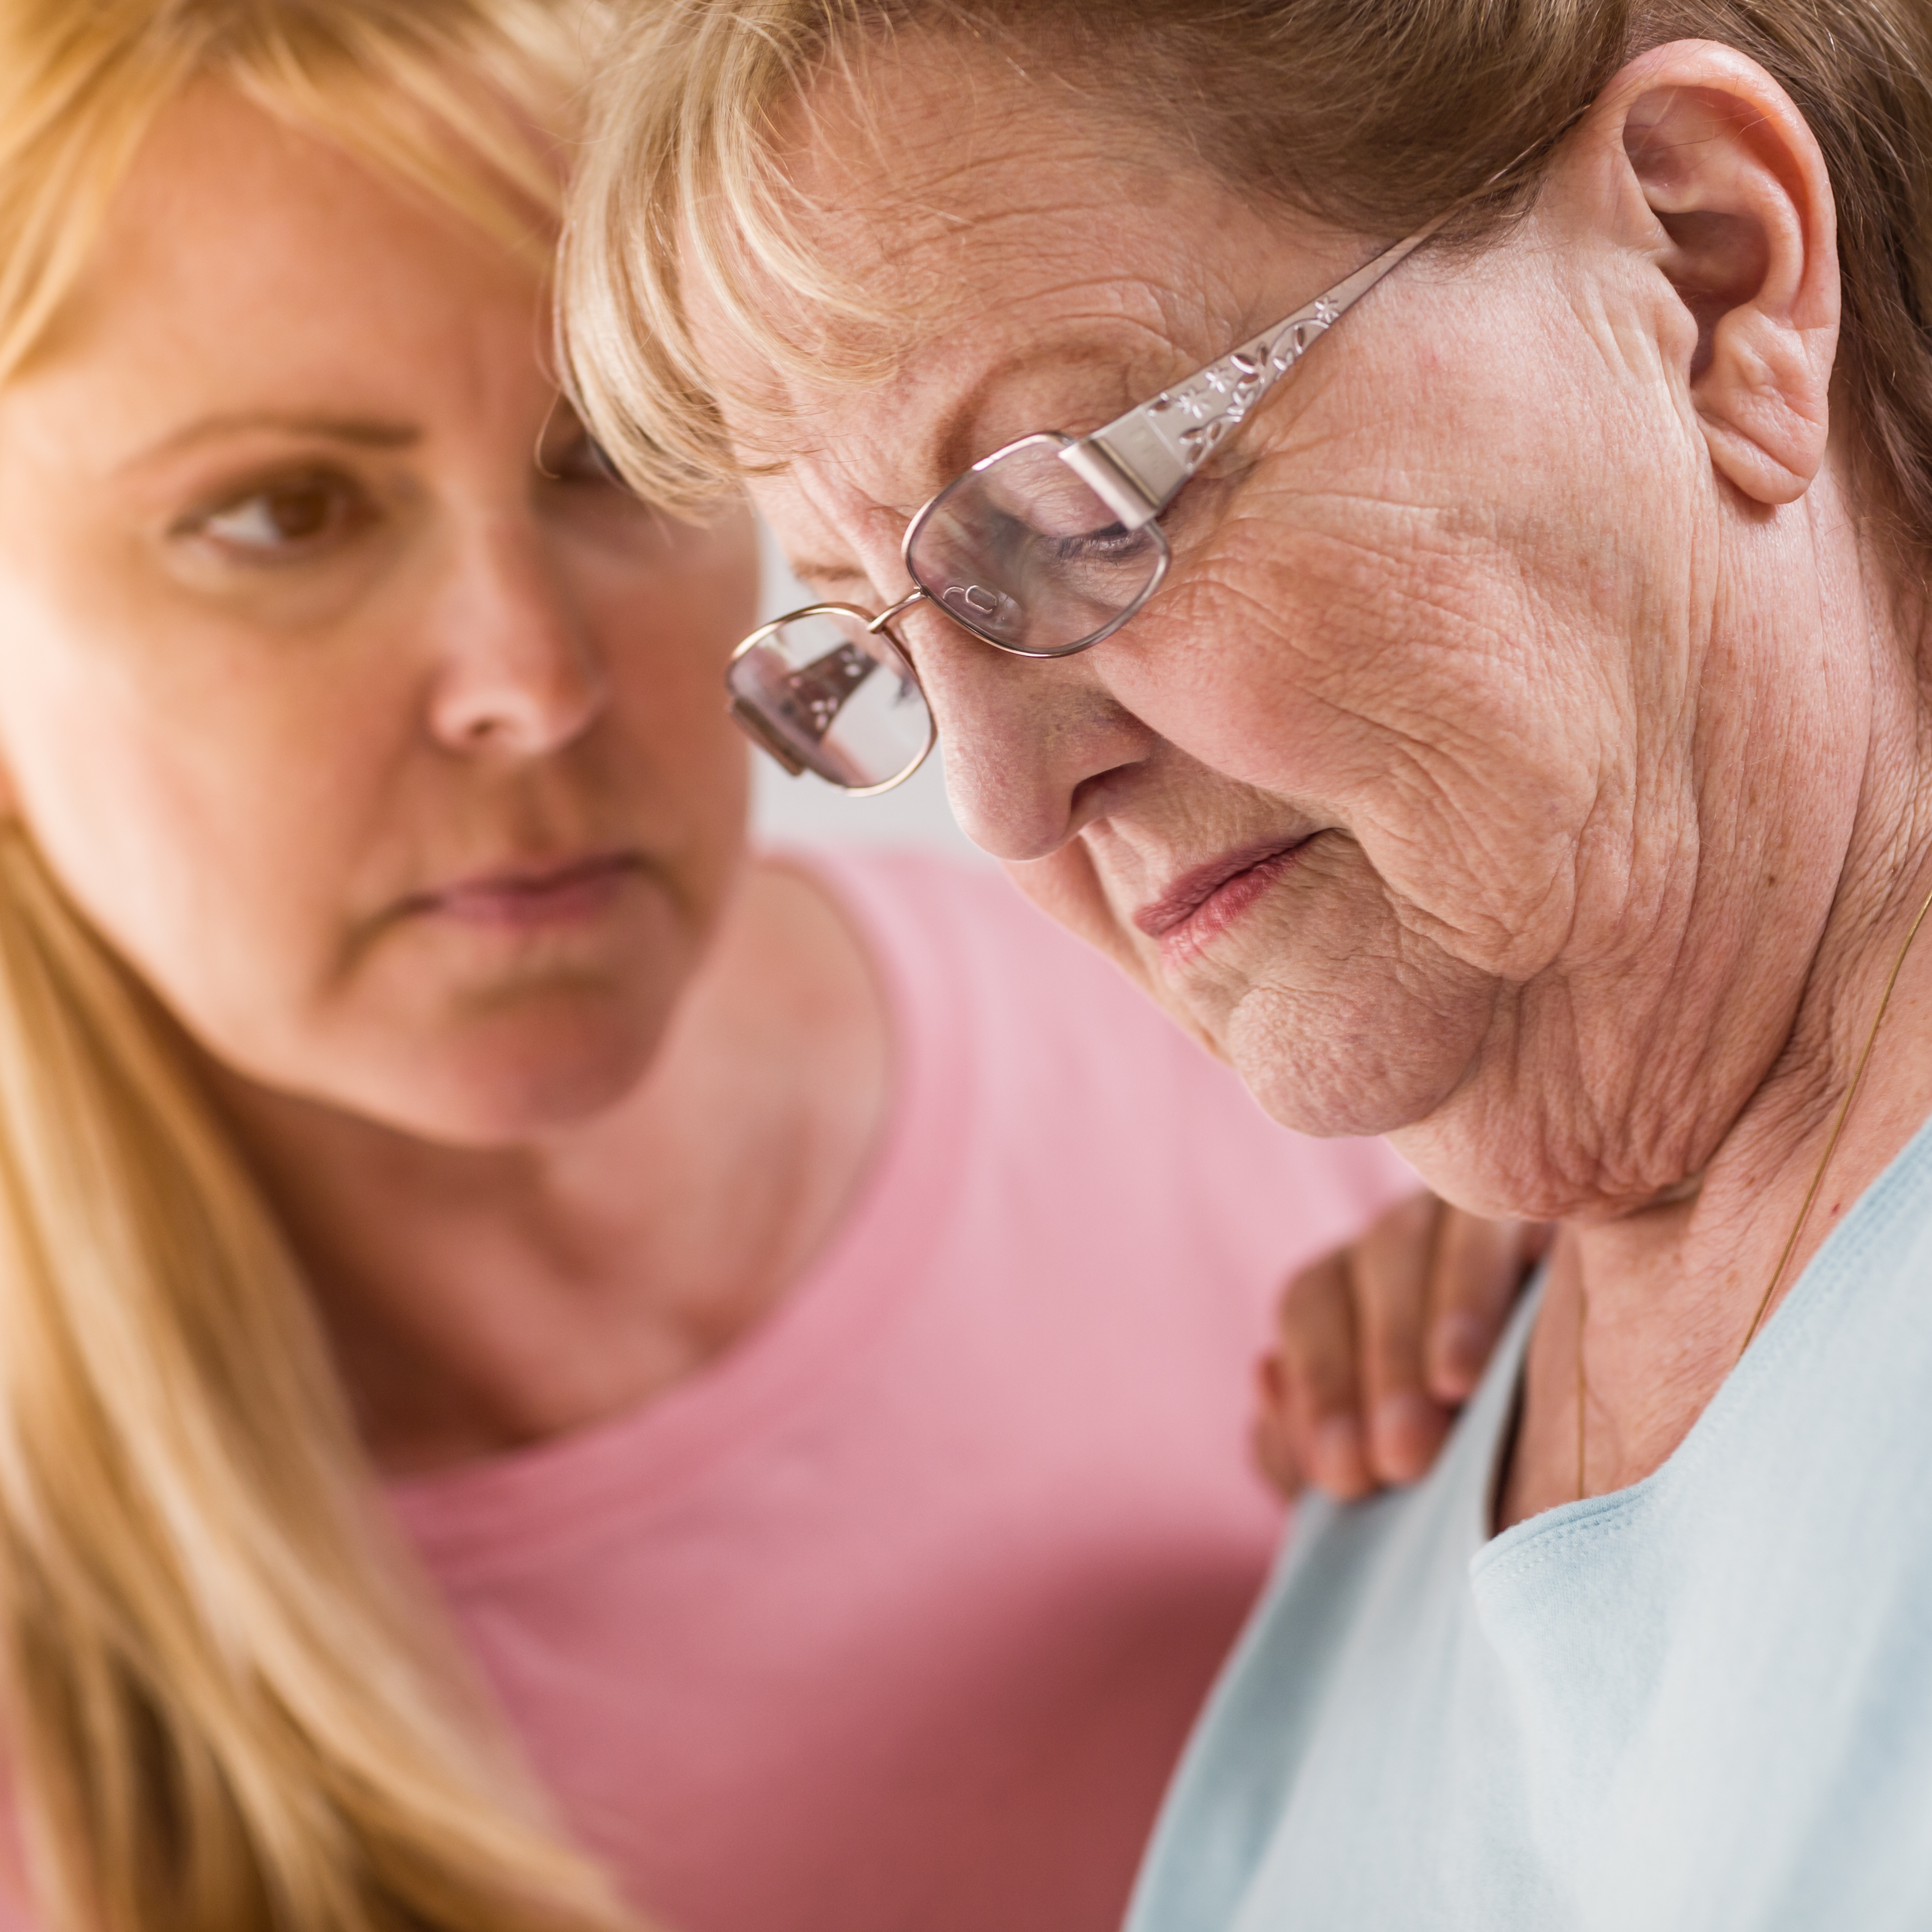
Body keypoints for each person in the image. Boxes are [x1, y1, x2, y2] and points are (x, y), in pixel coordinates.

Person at [0, 5, 1451, 1930]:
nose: (533, 683)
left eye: (611, 457)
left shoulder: (1242, 999)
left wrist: (1560, 1374)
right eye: (287, 516)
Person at [564, 1, 1932, 1924]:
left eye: (1077, 514)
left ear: (1709, 276)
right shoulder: (1416, 1435)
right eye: (880, 638)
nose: (1008, 805)